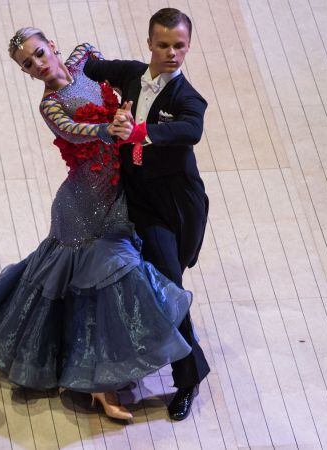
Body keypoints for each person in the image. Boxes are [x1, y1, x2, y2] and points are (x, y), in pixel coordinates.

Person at [0, 27, 194, 421]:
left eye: (39, 53)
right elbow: (76, 130)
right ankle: (100, 384)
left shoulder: (86, 59)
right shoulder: (50, 106)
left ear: (52, 46)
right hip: (84, 206)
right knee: (99, 289)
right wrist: (111, 127)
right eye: (28, 64)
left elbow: (97, 54)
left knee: (110, 284)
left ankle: (115, 368)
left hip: (122, 195)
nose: (38, 65)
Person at [83, 8, 210, 421]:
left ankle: (187, 377)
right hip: (132, 197)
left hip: (173, 205)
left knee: (170, 287)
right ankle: (156, 365)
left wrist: (140, 132)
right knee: (151, 283)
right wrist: (54, 65)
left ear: (188, 46)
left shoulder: (188, 98)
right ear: (150, 44)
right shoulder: (131, 74)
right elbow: (86, 64)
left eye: (179, 46)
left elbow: (190, 130)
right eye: (163, 45)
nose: (172, 53)